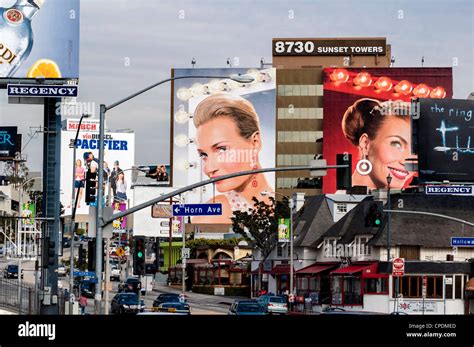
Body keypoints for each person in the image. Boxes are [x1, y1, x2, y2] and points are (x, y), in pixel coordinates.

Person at [192, 94, 273, 224]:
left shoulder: (285, 202)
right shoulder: (215, 212)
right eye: (204, 155)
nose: (208, 168)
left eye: (222, 149)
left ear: (255, 143)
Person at [341, 98, 416, 190]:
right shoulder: (337, 203)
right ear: (365, 144)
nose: (408, 162)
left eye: (417, 149)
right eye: (396, 144)